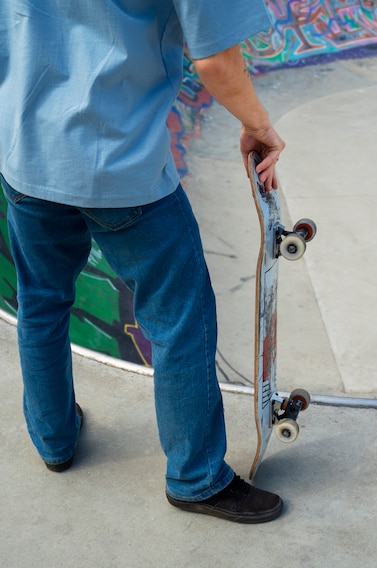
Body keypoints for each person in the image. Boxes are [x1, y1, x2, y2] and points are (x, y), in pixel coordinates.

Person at [0, 1, 286, 523]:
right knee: (180, 315)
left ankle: (54, 439)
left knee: (40, 299)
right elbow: (216, 61)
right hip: (120, 167)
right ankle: (196, 477)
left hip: (25, 155)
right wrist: (258, 124)